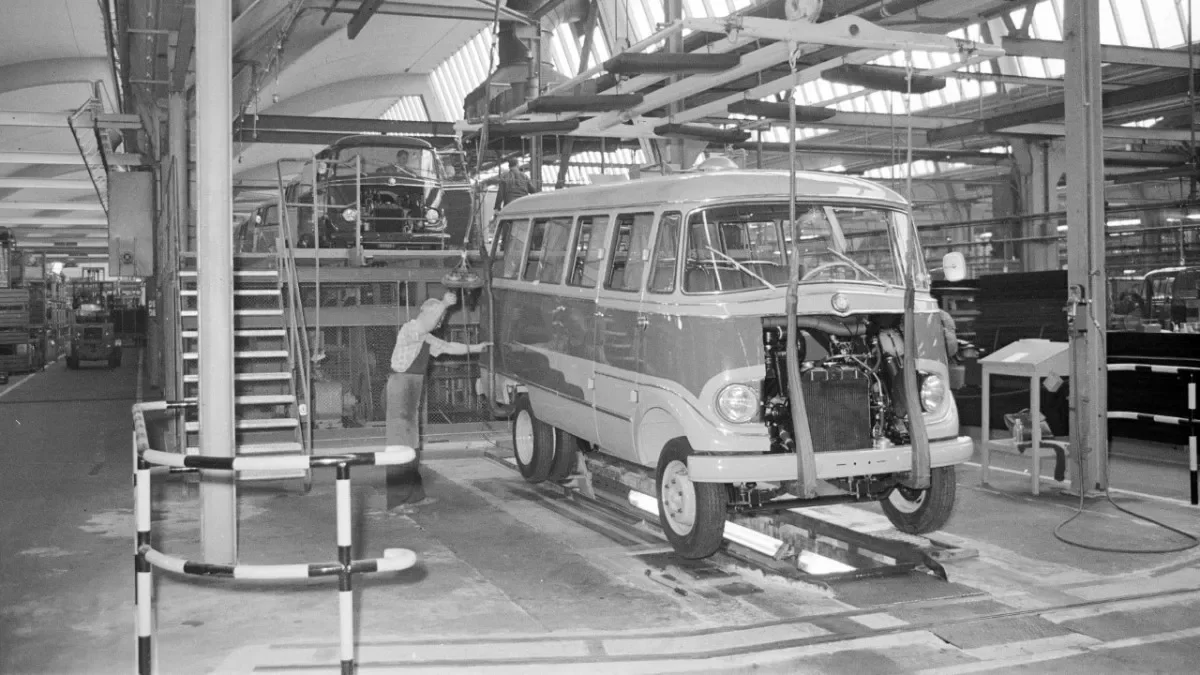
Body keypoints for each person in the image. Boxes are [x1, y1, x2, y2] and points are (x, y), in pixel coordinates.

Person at [385, 292, 488, 511]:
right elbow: (426, 324)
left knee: (412, 444)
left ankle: (414, 496)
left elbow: (449, 347)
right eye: (438, 317)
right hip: (400, 388)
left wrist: (477, 348)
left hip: (411, 388)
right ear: (426, 312)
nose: (440, 321)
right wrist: (444, 303)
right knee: (399, 445)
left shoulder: (425, 337)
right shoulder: (410, 329)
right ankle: (396, 501)